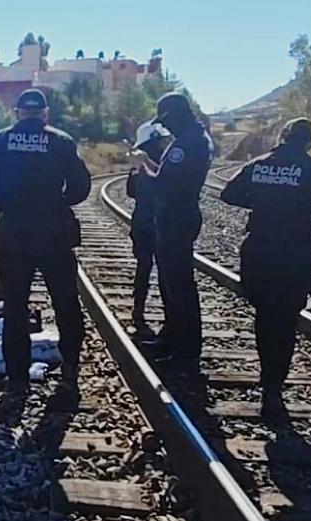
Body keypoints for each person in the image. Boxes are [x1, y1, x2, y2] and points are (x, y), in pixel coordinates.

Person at [221, 118, 311, 418]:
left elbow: (228, 194)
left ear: (281, 138)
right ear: (308, 143)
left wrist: (262, 204)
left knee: (265, 316)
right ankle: (273, 389)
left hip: (259, 250)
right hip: (296, 252)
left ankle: (267, 381)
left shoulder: (259, 164)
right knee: (285, 321)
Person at [0, 88, 92, 396]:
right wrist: (59, 201)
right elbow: (81, 186)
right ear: (45, 114)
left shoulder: (0, 140)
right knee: (65, 302)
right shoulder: (61, 141)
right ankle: (71, 367)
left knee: (14, 306)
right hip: (53, 232)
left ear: (18, 113)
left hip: (14, 233)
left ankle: (18, 377)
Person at [127, 93, 213, 368]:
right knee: (170, 283)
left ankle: (186, 349)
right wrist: (149, 164)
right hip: (176, 217)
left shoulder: (188, 144)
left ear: (174, 115)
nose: (166, 128)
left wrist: (142, 166)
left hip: (177, 217)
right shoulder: (192, 139)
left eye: (165, 121)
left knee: (179, 286)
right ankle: (173, 336)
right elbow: (166, 176)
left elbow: (161, 185)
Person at [126, 121, 170, 338]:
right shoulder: (169, 157)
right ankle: (170, 317)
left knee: (143, 267)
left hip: (142, 221)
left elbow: (130, 192)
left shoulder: (140, 160)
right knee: (165, 270)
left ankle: (138, 311)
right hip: (163, 222)